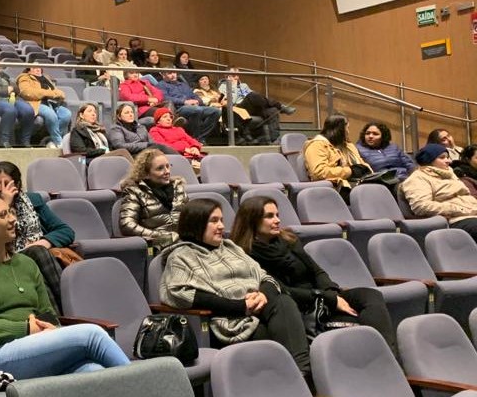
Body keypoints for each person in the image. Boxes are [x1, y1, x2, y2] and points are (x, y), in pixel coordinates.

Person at [0, 189, 130, 381]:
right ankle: (147, 384)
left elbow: (46, 312)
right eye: (3, 215)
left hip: (37, 346)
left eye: (11, 211)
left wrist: (52, 329)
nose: (12, 219)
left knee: (93, 371)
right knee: (92, 334)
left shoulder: (26, 263)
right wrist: (26, 329)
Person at [159, 198, 311, 375]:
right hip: (227, 321)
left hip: (258, 308)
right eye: (214, 221)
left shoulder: (230, 247)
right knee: (272, 339)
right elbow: (181, 295)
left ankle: (302, 376)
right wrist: (241, 307)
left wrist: (262, 295)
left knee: (284, 302)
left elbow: (264, 276)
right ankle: (296, 382)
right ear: (196, 224)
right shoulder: (181, 257)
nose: (222, 226)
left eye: (222, 220)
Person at [232, 195, 396, 350]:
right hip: (300, 307)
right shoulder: (247, 255)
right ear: (252, 221)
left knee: (370, 295)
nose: (277, 220)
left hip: (322, 297)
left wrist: (332, 293)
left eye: (277, 214)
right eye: (269, 216)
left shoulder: (288, 240)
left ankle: (388, 355)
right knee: (357, 323)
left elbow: (316, 270)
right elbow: (281, 290)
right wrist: (328, 299)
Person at [0, 161, 76, 310]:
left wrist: (44, 242)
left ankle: (62, 316)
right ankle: (70, 311)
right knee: (36, 255)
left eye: (5, 184)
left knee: (37, 264)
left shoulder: (33, 201)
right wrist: (6, 204)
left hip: (36, 258)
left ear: (17, 185)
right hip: (4, 259)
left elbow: (66, 231)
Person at [402, 143, 477, 242]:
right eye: (442, 158)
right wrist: (458, 209)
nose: (449, 161)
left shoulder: (449, 173)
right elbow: (421, 206)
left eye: (448, 157)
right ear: (429, 160)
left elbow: (466, 196)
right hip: (454, 220)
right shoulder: (417, 178)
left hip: (472, 213)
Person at [118, 148, 187, 247]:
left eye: (168, 166)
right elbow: (127, 225)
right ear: (146, 174)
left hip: (184, 242)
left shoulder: (178, 188)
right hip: (157, 246)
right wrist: (162, 236)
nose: (167, 171)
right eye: (160, 168)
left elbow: (191, 218)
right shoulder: (134, 192)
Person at [303, 114, 371, 201]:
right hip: (336, 188)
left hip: (357, 183)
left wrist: (368, 172)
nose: (348, 132)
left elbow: (361, 165)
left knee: (386, 186)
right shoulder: (317, 145)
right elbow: (319, 172)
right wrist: (350, 171)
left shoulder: (348, 146)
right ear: (339, 130)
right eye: (347, 128)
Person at [218, 68, 295, 143]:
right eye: (234, 75)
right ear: (227, 76)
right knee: (252, 95)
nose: (237, 77)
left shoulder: (243, 85)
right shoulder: (223, 86)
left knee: (272, 110)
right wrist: (233, 85)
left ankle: (274, 139)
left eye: (238, 74)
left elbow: (256, 97)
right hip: (237, 108)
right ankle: (281, 107)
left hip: (250, 107)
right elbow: (231, 101)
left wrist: (241, 88)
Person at [158, 67, 221, 143]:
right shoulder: (161, 84)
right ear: (164, 75)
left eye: (174, 73)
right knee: (197, 110)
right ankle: (196, 138)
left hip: (193, 106)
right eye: (170, 73)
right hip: (178, 108)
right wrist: (185, 101)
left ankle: (200, 136)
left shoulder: (183, 85)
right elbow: (165, 98)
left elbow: (195, 96)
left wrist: (197, 101)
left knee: (216, 111)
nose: (173, 75)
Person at [0, 55, 32, 147]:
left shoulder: (2, 74)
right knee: (10, 109)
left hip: (11, 99)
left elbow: (16, 88)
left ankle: (25, 141)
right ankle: (4, 140)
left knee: (28, 110)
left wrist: (11, 88)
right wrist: (5, 90)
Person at [16, 67, 71, 148]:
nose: (38, 70)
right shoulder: (24, 78)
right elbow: (28, 93)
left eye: (39, 68)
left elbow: (60, 93)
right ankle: (59, 142)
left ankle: (50, 140)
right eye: (35, 68)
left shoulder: (45, 78)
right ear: (29, 70)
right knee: (51, 115)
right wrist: (48, 93)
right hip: (36, 103)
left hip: (52, 103)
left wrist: (50, 94)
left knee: (66, 114)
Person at [193, 74, 256, 143]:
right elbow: (204, 101)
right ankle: (240, 135)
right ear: (198, 82)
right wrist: (215, 99)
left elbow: (222, 98)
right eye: (202, 79)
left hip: (223, 106)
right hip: (210, 109)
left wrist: (225, 101)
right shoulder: (197, 91)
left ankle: (243, 134)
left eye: (206, 79)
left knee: (238, 110)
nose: (205, 81)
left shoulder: (214, 90)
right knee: (228, 111)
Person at [107, 103, 177, 156]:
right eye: (127, 113)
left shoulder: (141, 127)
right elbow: (120, 146)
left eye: (132, 112)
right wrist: (145, 145)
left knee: (159, 149)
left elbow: (151, 142)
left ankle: (180, 162)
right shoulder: (116, 129)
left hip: (146, 152)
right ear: (119, 116)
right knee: (160, 148)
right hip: (131, 155)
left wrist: (149, 145)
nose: (131, 114)